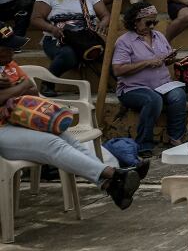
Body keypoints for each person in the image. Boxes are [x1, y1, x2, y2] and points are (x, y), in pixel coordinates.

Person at [0, 33, 146, 210]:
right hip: (3, 131)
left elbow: (32, 90)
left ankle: (110, 184)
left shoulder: (10, 66)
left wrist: (14, 90)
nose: (13, 52)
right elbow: (24, 88)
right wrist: (19, 88)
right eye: (7, 48)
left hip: (17, 121)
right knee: (52, 143)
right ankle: (112, 175)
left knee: (66, 138)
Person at [112, 2, 186, 158]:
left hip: (162, 85)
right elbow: (118, 69)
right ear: (135, 21)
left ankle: (175, 137)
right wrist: (146, 62)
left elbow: (164, 60)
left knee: (179, 95)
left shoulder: (159, 36)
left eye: (155, 22)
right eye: (148, 22)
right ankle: (144, 144)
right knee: (153, 100)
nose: (152, 26)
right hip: (133, 88)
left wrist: (169, 59)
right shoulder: (125, 41)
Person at [31, 0, 109, 78]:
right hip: (58, 39)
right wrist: (52, 29)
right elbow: (35, 19)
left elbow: (105, 15)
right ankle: (48, 83)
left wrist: (102, 24)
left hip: (87, 38)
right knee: (68, 54)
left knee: (109, 53)